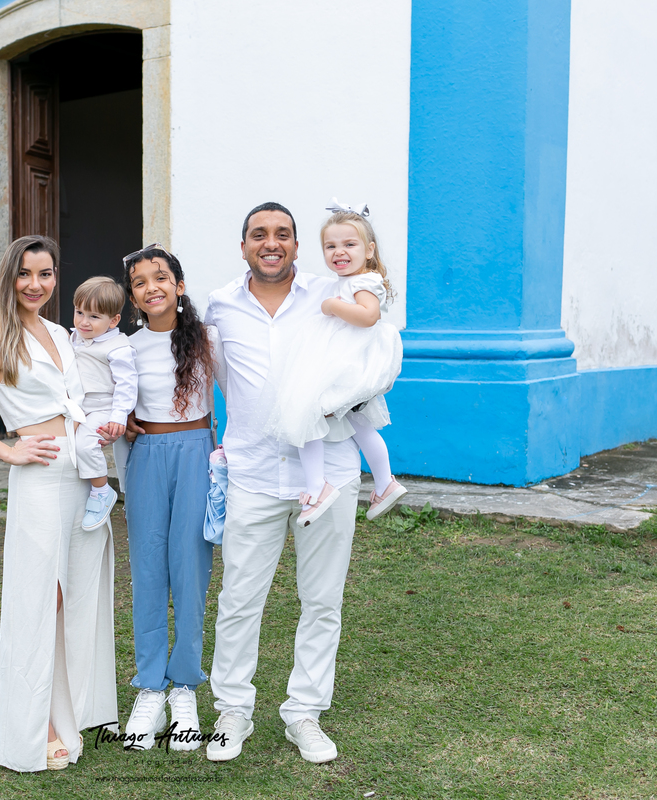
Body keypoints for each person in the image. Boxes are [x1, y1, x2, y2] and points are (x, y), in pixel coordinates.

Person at [0, 235, 117, 773]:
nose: (35, 285)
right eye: (25, 274)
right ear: (8, 278)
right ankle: (32, 726)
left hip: (83, 474)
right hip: (39, 476)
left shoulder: (64, 333)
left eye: (45, 273)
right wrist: (8, 451)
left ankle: (75, 712)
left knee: (81, 596)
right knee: (40, 598)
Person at [204, 202, 362, 764]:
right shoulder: (219, 306)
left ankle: (304, 714)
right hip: (251, 474)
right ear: (243, 244)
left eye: (283, 234)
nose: (271, 243)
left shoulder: (330, 296)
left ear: (297, 245)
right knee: (239, 598)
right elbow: (217, 379)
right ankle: (232, 711)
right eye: (258, 234)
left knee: (322, 600)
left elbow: (367, 352)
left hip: (328, 475)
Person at [120, 244, 224, 752]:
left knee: (190, 567)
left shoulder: (207, 340)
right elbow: (101, 400)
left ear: (179, 286)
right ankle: (149, 687)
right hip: (147, 455)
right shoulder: (125, 347)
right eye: (140, 282)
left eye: (160, 277)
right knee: (148, 569)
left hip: (197, 453)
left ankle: (184, 685)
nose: (151, 287)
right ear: (134, 296)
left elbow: (242, 395)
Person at [263, 202, 406, 526]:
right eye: (331, 246)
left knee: (306, 411)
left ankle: (318, 487)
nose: (339, 252)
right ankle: (384, 483)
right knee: (360, 425)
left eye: (349, 244)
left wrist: (331, 306)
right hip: (345, 358)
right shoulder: (354, 279)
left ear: (369, 250)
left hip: (347, 361)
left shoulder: (363, 282)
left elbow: (369, 316)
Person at [69, 276, 137, 530]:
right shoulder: (74, 337)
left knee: (86, 446)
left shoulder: (118, 347)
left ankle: (101, 491)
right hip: (78, 406)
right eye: (79, 312)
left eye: (94, 317)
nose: (84, 321)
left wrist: (118, 416)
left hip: (103, 408)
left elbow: (127, 385)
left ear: (113, 320)